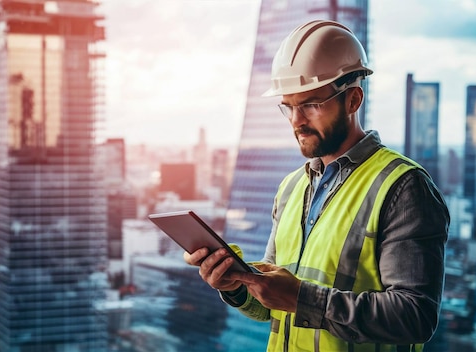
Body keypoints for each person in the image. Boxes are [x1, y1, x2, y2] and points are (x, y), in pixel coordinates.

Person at [184, 19, 450, 352]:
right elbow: (270, 306)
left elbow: (416, 316)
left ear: (353, 100)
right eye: (289, 106)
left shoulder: (403, 187)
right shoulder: (292, 188)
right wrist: (237, 286)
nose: (297, 121)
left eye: (311, 104)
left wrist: (302, 298)